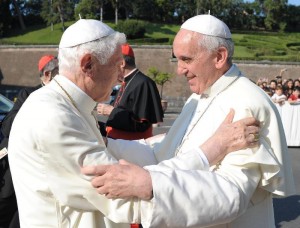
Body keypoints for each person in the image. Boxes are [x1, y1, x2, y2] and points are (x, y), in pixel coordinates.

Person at [8, 19, 260, 228]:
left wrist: (167, 142)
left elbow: (111, 151)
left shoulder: (64, 105)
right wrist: (211, 150)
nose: (121, 74)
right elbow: (127, 194)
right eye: (117, 64)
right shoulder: (53, 117)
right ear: (88, 65)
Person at [82, 15, 295, 228]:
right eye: (178, 59)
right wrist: (108, 144)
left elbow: (234, 193)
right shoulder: (196, 97)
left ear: (219, 57)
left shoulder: (247, 103)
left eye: (186, 59)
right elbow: (162, 155)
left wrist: (151, 184)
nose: (179, 70)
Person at [0, 54, 58, 228]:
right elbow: (8, 127)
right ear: (47, 75)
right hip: (16, 164)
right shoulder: (28, 94)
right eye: (58, 73)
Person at [97, 43, 164, 140]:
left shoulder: (143, 83)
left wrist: (111, 111)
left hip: (132, 148)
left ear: (122, 63)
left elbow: (140, 125)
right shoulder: (126, 82)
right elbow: (121, 123)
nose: (109, 69)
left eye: (111, 64)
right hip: (119, 144)